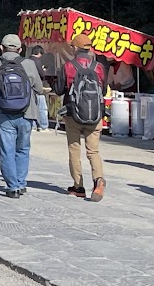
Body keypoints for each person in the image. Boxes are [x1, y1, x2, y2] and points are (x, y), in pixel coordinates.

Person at [0, 34, 45, 198]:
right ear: (20, 49)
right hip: (27, 113)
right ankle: (21, 183)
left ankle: (12, 186)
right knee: (23, 148)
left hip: (5, 113)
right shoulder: (29, 64)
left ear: (1, 48)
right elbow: (38, 88)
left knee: (7, 150)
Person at [55, 33, 107, 201]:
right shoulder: (99, 67)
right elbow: (104, 91)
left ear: (75, 48)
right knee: (93, 151)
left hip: (73, 115)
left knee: (74, 151)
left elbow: (59, 89)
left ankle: (78, 187)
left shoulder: (68, 66)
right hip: (95, 115)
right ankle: (98, 179)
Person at [29, 45, 50, 131]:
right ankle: (43, 125)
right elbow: (42, 74)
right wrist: (44, 70)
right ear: (39, 53)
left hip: (29, 87)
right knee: (42, 107)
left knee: (32, 107)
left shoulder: (27, 60)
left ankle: (33, 125)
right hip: (38, 86)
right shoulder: (37, 61)